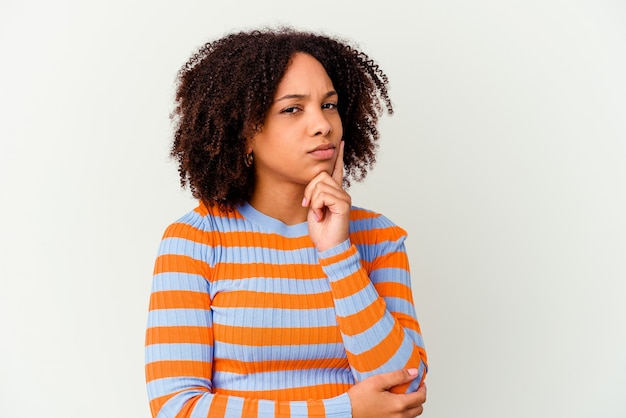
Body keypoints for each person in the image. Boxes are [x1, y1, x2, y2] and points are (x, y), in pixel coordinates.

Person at [145, 26, 428, 418]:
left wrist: (338, 254)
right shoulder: (195, 241)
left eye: (329, 105)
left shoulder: (377, 236)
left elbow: (404, 389)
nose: (322, 124)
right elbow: (177, 408)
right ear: (245, 132)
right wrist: (343, 411)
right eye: (293, 109)